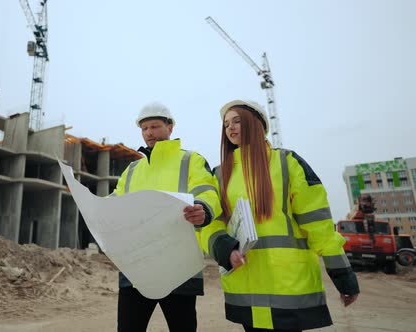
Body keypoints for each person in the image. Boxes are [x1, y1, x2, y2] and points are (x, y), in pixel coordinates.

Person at [201, 100, 360, 332]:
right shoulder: (219, 175)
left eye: (237, 121)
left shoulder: (287, 163)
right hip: (244, 284)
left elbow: (319, 225)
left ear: (256, 124)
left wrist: (342, 275)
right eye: (226, 125)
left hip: (288, 284)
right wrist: (224, 248)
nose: (230, 128)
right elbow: (209, 224)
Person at [111, 102, 221, 332]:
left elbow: (207, 191)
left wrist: (203, 208)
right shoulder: (132, 170)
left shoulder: (191, 160)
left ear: (170, 127)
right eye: (144, 128)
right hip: (136, 268)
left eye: (155, 126)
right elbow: (115, 202)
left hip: (178, 266)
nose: (149, 133)